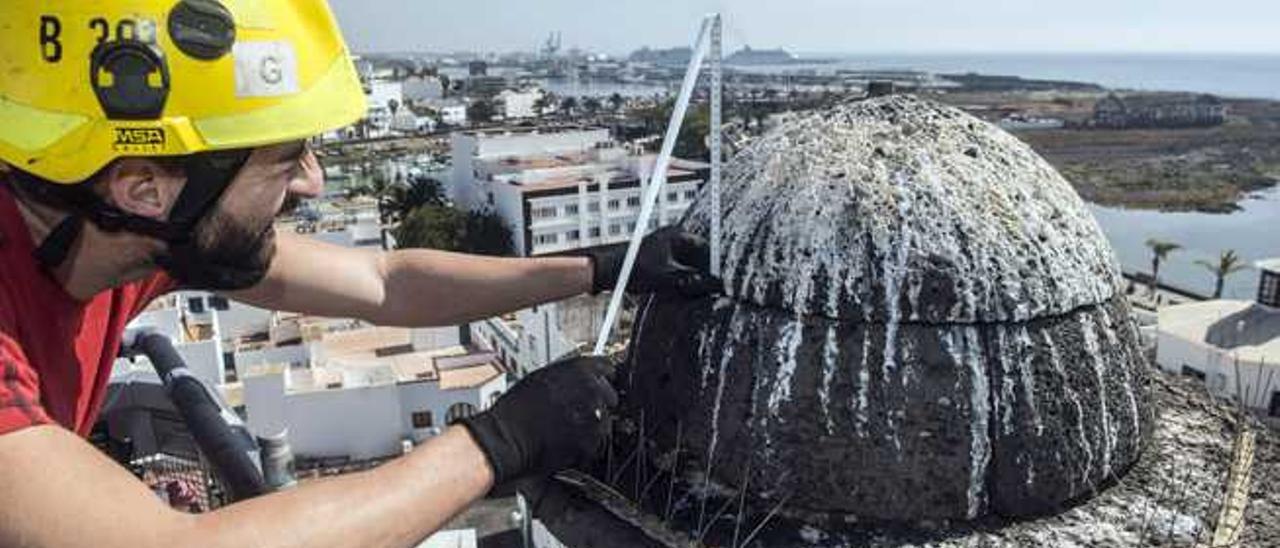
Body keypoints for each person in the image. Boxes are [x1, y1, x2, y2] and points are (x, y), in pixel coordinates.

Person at [0, 2, 717, 546]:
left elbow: (384, 281)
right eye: (284, 158)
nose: (311, 183)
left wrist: (596, 267)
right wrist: (499, 443)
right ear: (144, 187)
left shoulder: (132, 237)